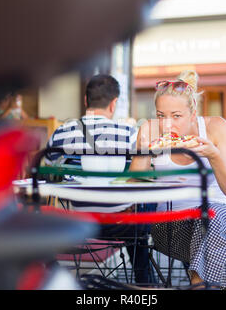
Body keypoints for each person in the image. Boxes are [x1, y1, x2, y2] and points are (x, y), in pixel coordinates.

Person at [129, 70, 226, 290]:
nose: (167, 125)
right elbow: (133, 190)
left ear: (193, 112)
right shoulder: (149, 130)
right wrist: (143, 153)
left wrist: (213, 154)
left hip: (220, 219)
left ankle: (198, 283)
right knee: (221, 235)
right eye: (161, 115)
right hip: (170, 227)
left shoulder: (216, 127)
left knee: (213, 218)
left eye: (176, 116)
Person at [44, 74, 154, 284]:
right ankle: (143, 280)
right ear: (114, 104)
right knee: (143, 203)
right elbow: (146, 172)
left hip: (79, 221)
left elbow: (48, 163)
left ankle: (55, 275)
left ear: (86, 101)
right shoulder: (129, 134)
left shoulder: (62, 133)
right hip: (125, 223)